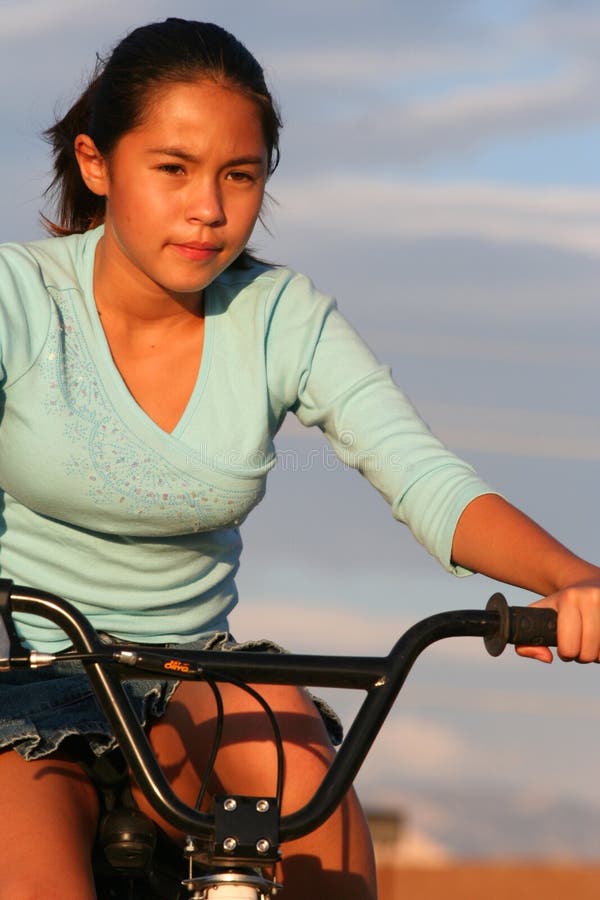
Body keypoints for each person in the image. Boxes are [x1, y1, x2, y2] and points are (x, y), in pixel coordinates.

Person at [0, 17, 598, 900]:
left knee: (303, 784)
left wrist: (572, 577)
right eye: (172, 170)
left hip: (195, 671)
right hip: (26, 674)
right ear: (98, 164)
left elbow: (425, 477)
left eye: (238, 176)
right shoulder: (22, 297)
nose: (209, 208)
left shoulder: (283, 317)